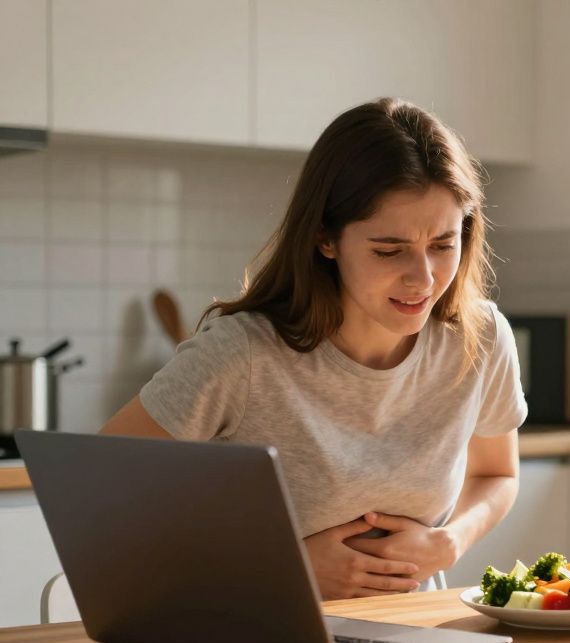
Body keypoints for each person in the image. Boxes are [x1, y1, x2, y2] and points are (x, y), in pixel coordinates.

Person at [101, 98, 527, 601]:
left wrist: (451, 540)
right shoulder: (244, 354)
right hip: (256, 640)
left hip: (414, 635)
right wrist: (285, 563)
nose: (423, 278)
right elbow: (101, 492)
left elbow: (497, 474)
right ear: (326, 238)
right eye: (389, 250)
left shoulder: (478, 338)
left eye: (442, 244)